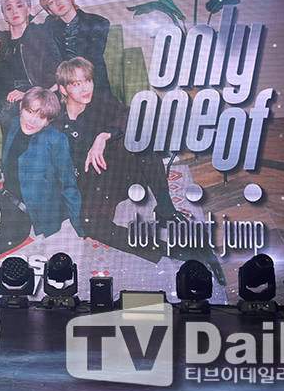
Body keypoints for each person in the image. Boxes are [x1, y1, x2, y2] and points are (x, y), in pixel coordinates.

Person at [53, 57, 225, 283]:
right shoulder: (56, 117)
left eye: (88, 81)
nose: (86, 88)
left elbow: (131, 114)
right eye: (77, 84)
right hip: (91, 183)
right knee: (91, 224)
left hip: (120, 172)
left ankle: (166, 208)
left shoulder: (101, 100)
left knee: (142, 138)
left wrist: (104, 136)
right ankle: (182, 252)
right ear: (63, 89)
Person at [0, 87, 84, 249]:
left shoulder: (56, 140)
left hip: (25, 213)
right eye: (29, 111)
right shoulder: (15, 123)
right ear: (21, 108)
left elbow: (68, 185)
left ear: (48, 121)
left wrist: (79, 227)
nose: (32, 121)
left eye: (42, 117)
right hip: (4, 198)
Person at [0, 0, 60, 145]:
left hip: (35, 90)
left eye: (19, 6)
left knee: (12, 111)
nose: (14, 11)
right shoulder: (1, 40)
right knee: (6, 108)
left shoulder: (40, 35)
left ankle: (15, 159)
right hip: (5, 95)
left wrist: (29, 95)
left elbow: (54, 72)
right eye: (9, 8)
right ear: (4, 16)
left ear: (29, 10)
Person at [40, 0, 112, 93]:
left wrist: (64, 81)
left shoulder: (98, 22)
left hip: (92, 86)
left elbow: (92, 59)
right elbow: (24, 26)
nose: (58, 3)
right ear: (50, 11)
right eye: (52, 2)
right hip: (63, 89)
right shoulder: (49, 26)